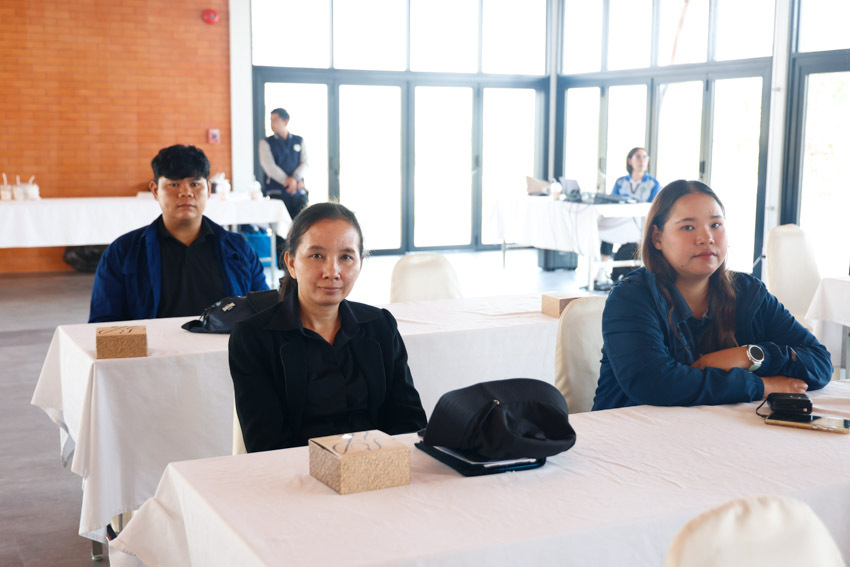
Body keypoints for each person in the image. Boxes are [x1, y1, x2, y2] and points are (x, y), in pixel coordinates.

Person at [592, 180, 832, 411]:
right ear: (657, 238)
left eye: (716, 225)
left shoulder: (749, 292)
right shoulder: (631, 298)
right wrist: (760, 386)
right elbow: (654, 383)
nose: (706, 238)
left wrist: (748, 356)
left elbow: (820, 362)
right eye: (688, 227)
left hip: (718, 430)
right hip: (629, 431)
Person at [228, 202, 427, 452]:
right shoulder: (253, 338)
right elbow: (266, 444)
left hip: (379, 466)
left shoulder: (380, 326)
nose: (332, 272)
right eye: (317, 256)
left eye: (346, 257)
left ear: (360, 264)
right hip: (297, 471)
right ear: (291, 263)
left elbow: (409, 422)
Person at [89, 145, 268, 323]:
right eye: (174, 184)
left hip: (225, 342)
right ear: (155, 190)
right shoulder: (123, 252)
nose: (186, 192)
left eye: (195, 184)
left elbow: (265, 310)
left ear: (208, 189)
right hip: (154, 342)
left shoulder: (238, 248)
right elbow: (104, 322)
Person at [596, 147, 662, 290]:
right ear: (630, 161)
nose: (642, 160)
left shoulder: (653, 184)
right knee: (606, 228)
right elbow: (612, 202)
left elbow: (652, 207)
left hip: (639, 226)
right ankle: (602, 270)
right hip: (619, 221)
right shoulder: (621, 182)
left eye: (644, 157)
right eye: (638, 157)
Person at [258, 107, 309, 219]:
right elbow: (269, 167)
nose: (272, 123)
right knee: (281, 227)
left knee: (301, 224)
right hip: (277, 192)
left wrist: (295, 178)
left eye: (275, 120)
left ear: (285, 122)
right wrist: (288, 181)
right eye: (271, 120)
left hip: (298, 191)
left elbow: (305, 163)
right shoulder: (266, 143)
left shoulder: (299, 140)